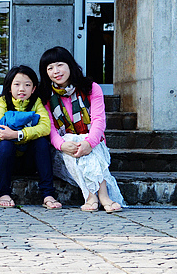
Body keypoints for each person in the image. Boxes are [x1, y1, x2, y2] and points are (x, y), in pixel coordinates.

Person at [38, 46, 124, 213]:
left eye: (59, 65)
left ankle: (92, 197)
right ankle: (104, 196)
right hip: (63, 150)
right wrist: (62, 145)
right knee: (73, 140)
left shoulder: (91, 88)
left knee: (82, 142)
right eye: (50, 68)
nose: (56, 71)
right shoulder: (45, 95)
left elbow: (99, 121)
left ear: (70, 65)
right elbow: (49, 128)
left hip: (95, 146)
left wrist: (89, 143)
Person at [0, 65, 61, 209]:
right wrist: (23, 132)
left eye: (27, 85)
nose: (22, 89)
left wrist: (18, 134)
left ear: (33, 89)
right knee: (5, 144)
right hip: (5, 160)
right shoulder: (3, 102)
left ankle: (48, 194)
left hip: (29, 161)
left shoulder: (36, 103)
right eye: (17, 84)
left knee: (41, 142)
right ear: (10, 87)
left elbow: (45, 128)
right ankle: (3, 193)